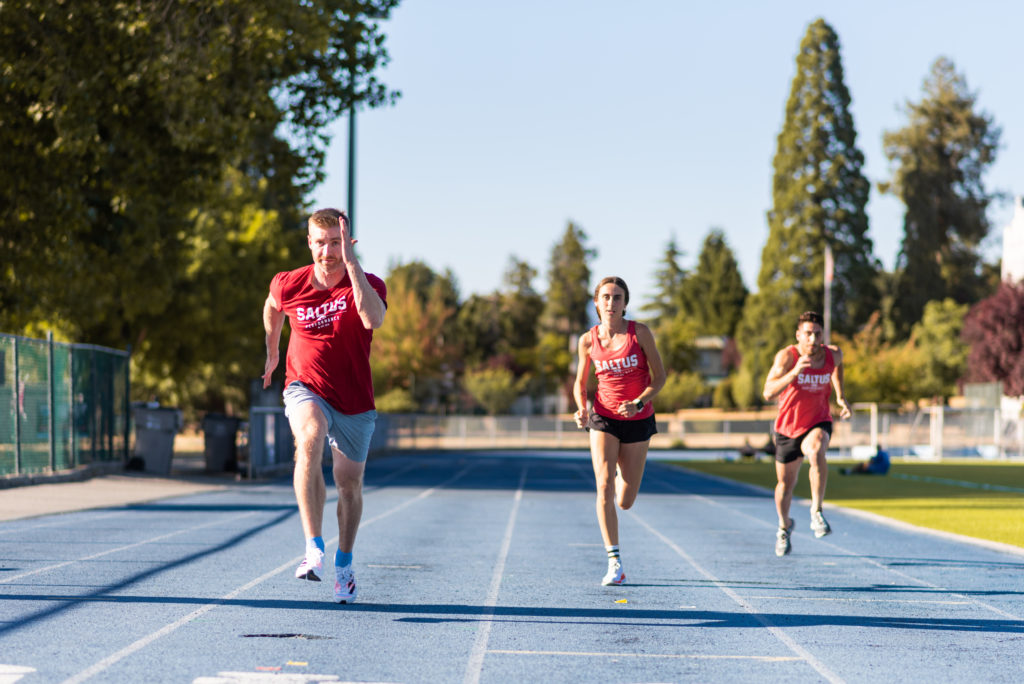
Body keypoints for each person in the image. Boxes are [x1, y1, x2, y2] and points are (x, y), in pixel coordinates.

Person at [262, 208, 387, 603]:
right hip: (305, 386)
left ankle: (344, 564)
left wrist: (354, 269)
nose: (327, 251)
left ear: (347, 244)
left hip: (354, 399)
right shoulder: (289, 283)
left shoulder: (367, 283)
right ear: (310, 243)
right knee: (310, 437)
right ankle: (312, 545)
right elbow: (271, 306)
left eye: (336, 243)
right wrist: (272, 351)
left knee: (349, 485)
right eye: (320, 243)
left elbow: (373, 320)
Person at [573, 276, 666, 585]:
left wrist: (639, 402)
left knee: (625, 499)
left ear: (625, 303)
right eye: (606, 297)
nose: (611, 303)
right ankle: (615, 561)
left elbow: (660, 377)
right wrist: (582, 406)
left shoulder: (639, 333)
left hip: (638, 419)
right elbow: (579, 382)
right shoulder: (588, 340)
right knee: (603, 488)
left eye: (617, 297)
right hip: (603, 417)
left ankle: (616, 474)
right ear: (596, 302)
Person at [763, 311, 851, 557]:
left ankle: (816, 512)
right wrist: (793, 373)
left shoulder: (832, 354)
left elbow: (837, 366)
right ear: (798, 335)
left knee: (817, 449)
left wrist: (840, 396)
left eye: (818, 334)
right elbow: (767, 392)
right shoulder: (787, 357)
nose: (813, 339)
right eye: (808, 334)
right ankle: (784, 526)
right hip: (787, 428)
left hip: (818, 420)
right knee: (785, 485)